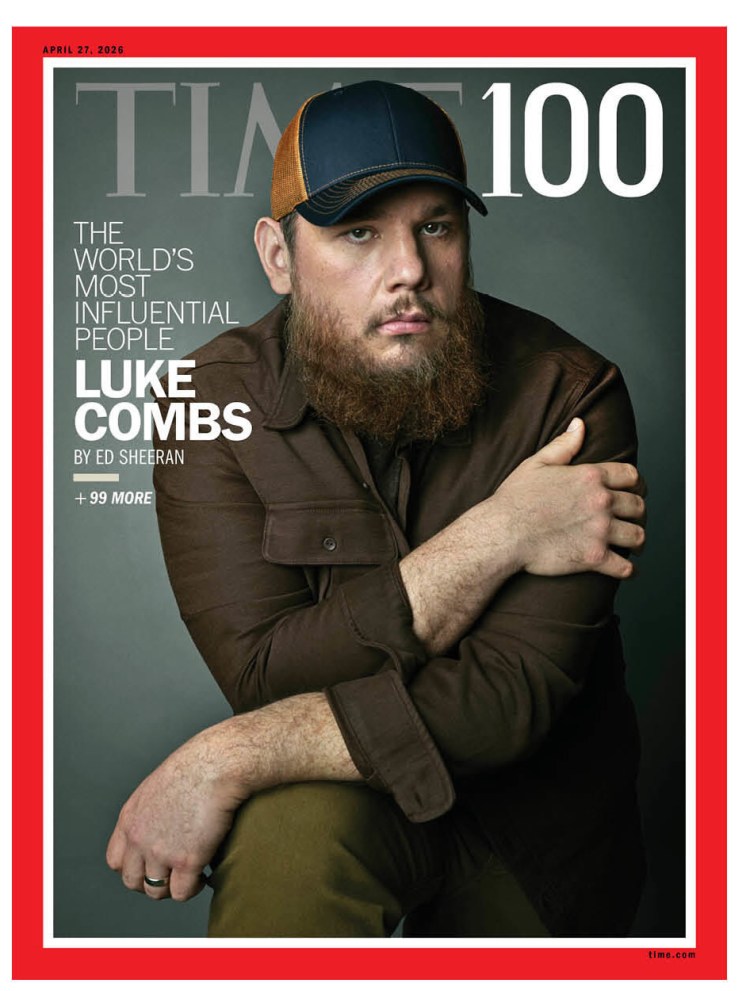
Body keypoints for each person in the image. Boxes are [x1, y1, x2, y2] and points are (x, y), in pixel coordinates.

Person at [106, 80, 647, 937]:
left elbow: (508, 699)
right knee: (288, 843)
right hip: (337, 799)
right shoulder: (202, 405)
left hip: (537, 837)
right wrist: (498, 536)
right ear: (278, 258)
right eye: (359, 232)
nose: (409, 271)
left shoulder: (570, 395)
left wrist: (228, 755)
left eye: (435, 226)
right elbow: (264, 673)